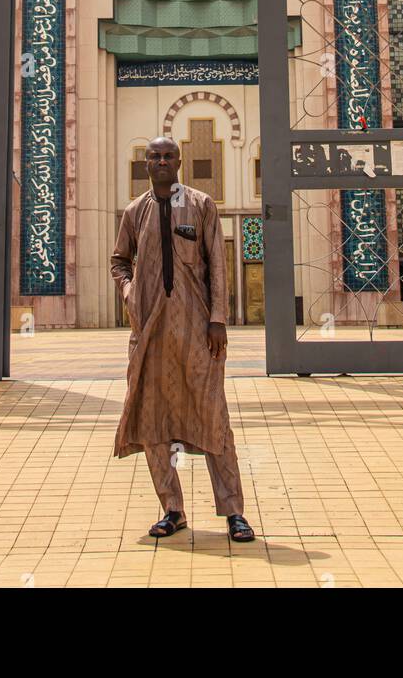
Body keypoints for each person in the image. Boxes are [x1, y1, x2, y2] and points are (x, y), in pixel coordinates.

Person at [110, 136, 255, 542]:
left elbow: (218, 267)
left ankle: (233, 512)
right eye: (153, 156)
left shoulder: (201, 205)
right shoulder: (134, 212)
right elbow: (119, 261)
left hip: (197, 333)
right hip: (151, 333)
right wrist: (129, 293)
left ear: (179, 161)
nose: (160, 161)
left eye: (167, 156)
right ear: (145, 163)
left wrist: (218, 319)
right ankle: (172, 510)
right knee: (154, 421)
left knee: (213, 418)